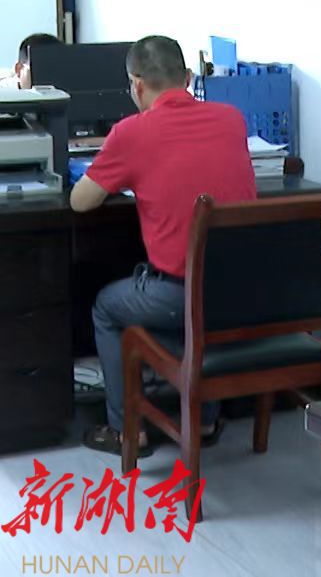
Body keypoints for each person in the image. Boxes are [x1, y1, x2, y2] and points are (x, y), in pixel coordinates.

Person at [70, 35, 257, 456]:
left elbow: (81, 201)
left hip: (179, 296)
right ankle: (204, 419)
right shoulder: (231, 119)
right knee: (201, 292)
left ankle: (127, 430)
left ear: (136, 85)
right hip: (243, 294)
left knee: (105, 307)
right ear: (188, 78)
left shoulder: (131, 132)